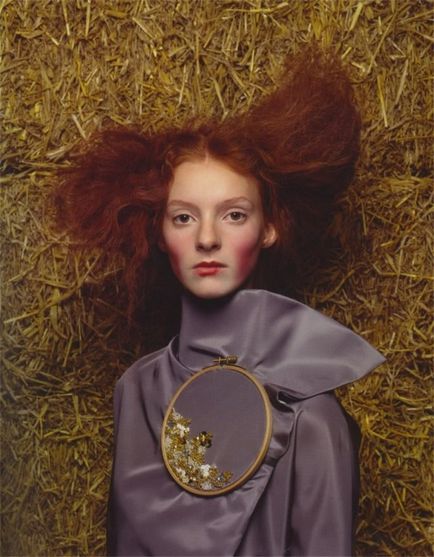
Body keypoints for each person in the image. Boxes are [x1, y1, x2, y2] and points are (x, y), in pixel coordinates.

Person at [55, 47, 385, 556]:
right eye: (183, 217)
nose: (207, 238)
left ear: (269, 228)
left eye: (234, 215)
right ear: (159, 233)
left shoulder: (311, 417)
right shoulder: (137, 390)